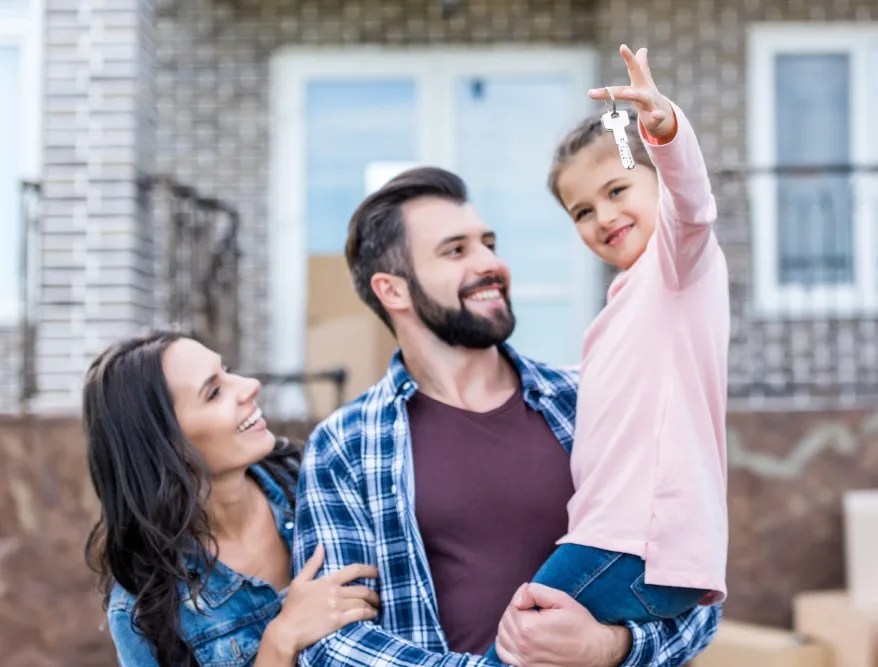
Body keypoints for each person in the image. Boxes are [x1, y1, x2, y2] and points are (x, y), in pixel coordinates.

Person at [291, 92, 721, 665]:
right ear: (392, 290)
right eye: (455, 251)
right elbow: (332, 643)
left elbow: (693, 595)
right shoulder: (346, 446)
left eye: (488, 244)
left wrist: (608, 649)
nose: (489, 263)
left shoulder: (582, 399)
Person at [486, 43, 730, 659]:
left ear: (654, 181)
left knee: (514, 650)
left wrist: (662, 131)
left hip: (631, 544)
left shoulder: (678, 268)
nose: (604, 216)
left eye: (619, 189)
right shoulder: (624, 305)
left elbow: (693, 208)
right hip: (624, 543)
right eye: (582, 211)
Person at [83, 331, 380, 666]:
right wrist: (280, 641)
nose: (249, 385)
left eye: (227, 370)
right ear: (166, 448)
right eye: (214, 392)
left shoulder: (321, 481)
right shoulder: (143, 608)